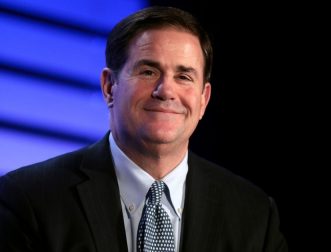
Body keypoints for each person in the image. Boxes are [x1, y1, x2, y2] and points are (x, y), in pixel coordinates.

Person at [0, 6, 288, 252]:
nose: (166, 91)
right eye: (148, 71)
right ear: (109, 87)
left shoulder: (255, 215)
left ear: (203, 100)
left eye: (184, 76)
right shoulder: (30, 200)